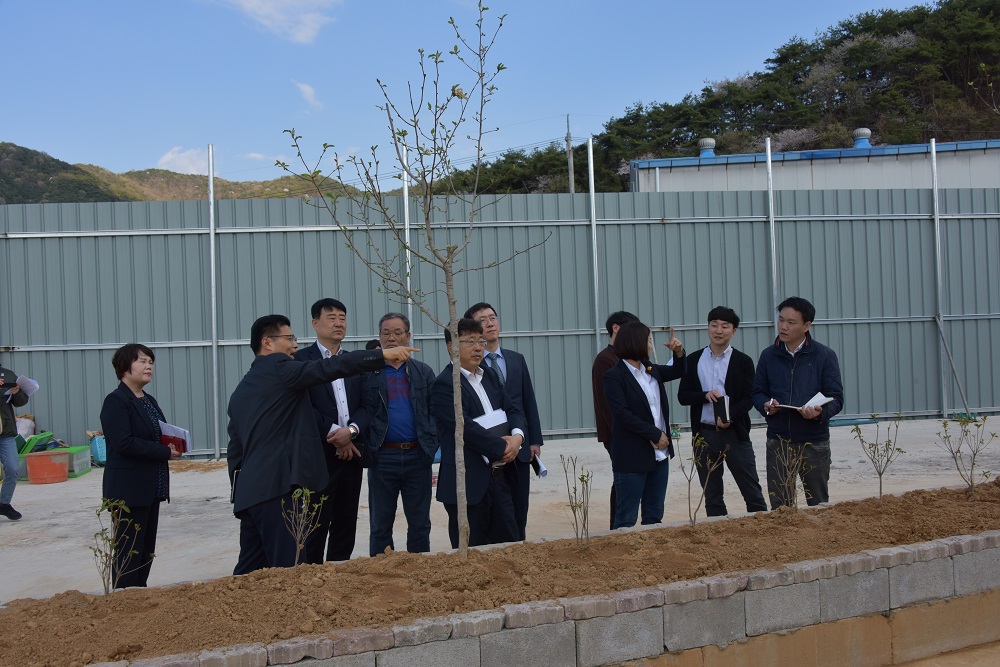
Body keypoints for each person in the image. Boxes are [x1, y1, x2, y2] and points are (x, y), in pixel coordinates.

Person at [227, 314, 414, 574]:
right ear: (267, 343)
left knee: (249, 571)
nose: (295, 345)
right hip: (278, 491)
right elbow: (329, 367)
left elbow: (235, 451)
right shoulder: (281, 369)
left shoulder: (240, 391)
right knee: (290, 569)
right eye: (289, 338)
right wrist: (381, 356)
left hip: (250, 496)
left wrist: (240, 492)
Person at [431, 318, 524, 548]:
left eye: (480, 341)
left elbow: (512, 407)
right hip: (468, 483)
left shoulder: (490, 375)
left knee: (509, 545)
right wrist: (502, 447)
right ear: (451, 346)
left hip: (500, 478)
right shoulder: (444, 385)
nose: (478, 347)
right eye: (470, 341)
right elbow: (464, 427)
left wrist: (517, 437)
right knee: (472, 551)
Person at [99, 344, 182, 588]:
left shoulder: (148, 400)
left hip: (150, 488)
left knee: (145, 549)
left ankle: (139, 595)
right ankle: (124, 598)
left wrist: (173, 444)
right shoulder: (116, 401)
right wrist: (163, 451)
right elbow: (123, 442)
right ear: (125, 367)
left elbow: (155, 433)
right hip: (128, 490)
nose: (148, 366)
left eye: (151, 362)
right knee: (129, 551)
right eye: (142, 361)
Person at [294, 298, 369, 563]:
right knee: (315, 522)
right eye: (332, 317)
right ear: (315, 324)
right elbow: (301, 405)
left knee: (346, 522)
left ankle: (340, 574)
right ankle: (311, 577)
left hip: (352, 454)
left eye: (342, 318)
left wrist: (351, 431)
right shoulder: (301, 360)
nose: (339, 323)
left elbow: (367, 404)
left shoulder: (353, 362)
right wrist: (335, 433)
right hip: (318, 455)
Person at [752, 296, 844, 509]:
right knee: (781, 506)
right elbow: (757, 392)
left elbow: (836, 398)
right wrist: (766, 405)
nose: (783, 326)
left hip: (814, 442)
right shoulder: (768, 356)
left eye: (791, 322)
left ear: (806, 326)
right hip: (779, 441)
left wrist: (820, 413)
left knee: (818, 504)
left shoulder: (824, 356)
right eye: (781, 320)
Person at [677, 307, 767, 517]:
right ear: (708, 327)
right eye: (714, 325)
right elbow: (683, 396)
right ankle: (717, 535)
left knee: (751, 489)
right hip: (704, 435)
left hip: (734, 434)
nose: (719, 330)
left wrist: (729, 417)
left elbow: (748, 398)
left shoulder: (743, 361)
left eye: (725, 326)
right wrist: (704, 395)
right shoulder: (693, 360)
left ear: (733, 331)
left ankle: (762, 527)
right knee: (712, 494)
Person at [464, 302, 543, 540]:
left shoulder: (515, 359)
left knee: (519, 507)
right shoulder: (472, 366)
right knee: (495, 509)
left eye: (493, 318)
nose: (489, 323)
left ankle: (519, 545)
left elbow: (528, 400)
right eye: (482, 320)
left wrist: (533, 440)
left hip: (519, 446)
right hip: (489, 450)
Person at [363, 312, 439, 556]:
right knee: (380, 525)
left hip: (417, 456)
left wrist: (431, 444)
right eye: (386, 333)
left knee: (419, 524)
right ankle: (382, 575)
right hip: (383, 457)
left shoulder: (423, 372)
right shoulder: (368, 373)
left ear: (408, 336)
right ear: (379, 338)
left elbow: (434, 412)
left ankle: (419, 572)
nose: (392, 338)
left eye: (397, 333)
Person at [603, 321, 685, 529]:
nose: (651, 345)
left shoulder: (650, 370)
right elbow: (622, 415)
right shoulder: (614, 376)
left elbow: (678, 371)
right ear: (635, 342)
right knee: (626, 518)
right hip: (632, 456)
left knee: (654, 515)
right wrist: (655, 434)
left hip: (660, 455)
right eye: (649, 340)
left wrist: (679, 352)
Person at [591, 310, 639, 529]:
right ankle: (618, 527)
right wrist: (622, 434)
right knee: (623, 479)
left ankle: (623, 525)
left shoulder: (628, 358)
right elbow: (605, 405)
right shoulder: (605, 360)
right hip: (618, 434)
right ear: (616, 328)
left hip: (634, 431)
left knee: (629, 479)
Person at [0, 367, 31, 521]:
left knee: (12, 468)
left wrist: (16, 392)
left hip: (6, 432)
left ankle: (4, 504)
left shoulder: (8, 374)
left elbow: (22, 401)